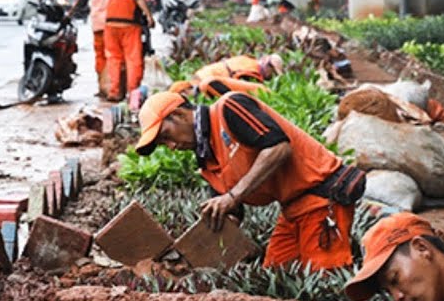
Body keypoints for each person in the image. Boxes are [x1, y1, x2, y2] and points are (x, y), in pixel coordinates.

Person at [135, 91, 365, 271]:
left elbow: (278, 147)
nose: (172, 146)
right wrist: (193, 250)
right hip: (292, 210)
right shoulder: (206, 160)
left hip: (321, 198)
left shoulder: (228, 109)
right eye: (164, 145)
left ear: (179, 114)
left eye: (166, 136)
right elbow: (232, 214)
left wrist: (232, 196)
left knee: (322, 278)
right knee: (276, 274)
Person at [103, 0, 155, 102]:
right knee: (133, 59)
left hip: (110, 22)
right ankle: (133, 94)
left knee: (114, 58)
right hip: (129, 23)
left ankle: (114, 92)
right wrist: (149, 16)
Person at [71, 0, 122, 97]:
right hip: (114, 23)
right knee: (113, 56)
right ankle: (114, 89)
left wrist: (69, 15)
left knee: (100, 56)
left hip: (97, 24)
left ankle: (101, 87)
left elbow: (81, 1)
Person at [170, 53, 285, 100]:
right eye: (273, 72)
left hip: (203, 74)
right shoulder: (252, 71)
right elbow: (239, 87)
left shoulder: (249, 60)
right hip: (208, 81)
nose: (271, 76)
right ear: (268, 66)